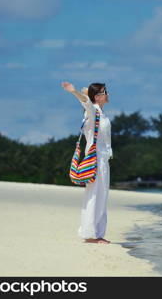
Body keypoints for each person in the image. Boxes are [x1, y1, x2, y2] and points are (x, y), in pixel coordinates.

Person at [61, 81, 113, 245]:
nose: (108, 94)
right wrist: (75, 92)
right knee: (94, 196)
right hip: (95, 159)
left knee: (102, 197)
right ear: (98, 97)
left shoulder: (102, 114)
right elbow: (86, 103)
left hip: (104, 160)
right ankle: (90, 234)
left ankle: (97, 233)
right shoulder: (92, 112)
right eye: (105, 92)